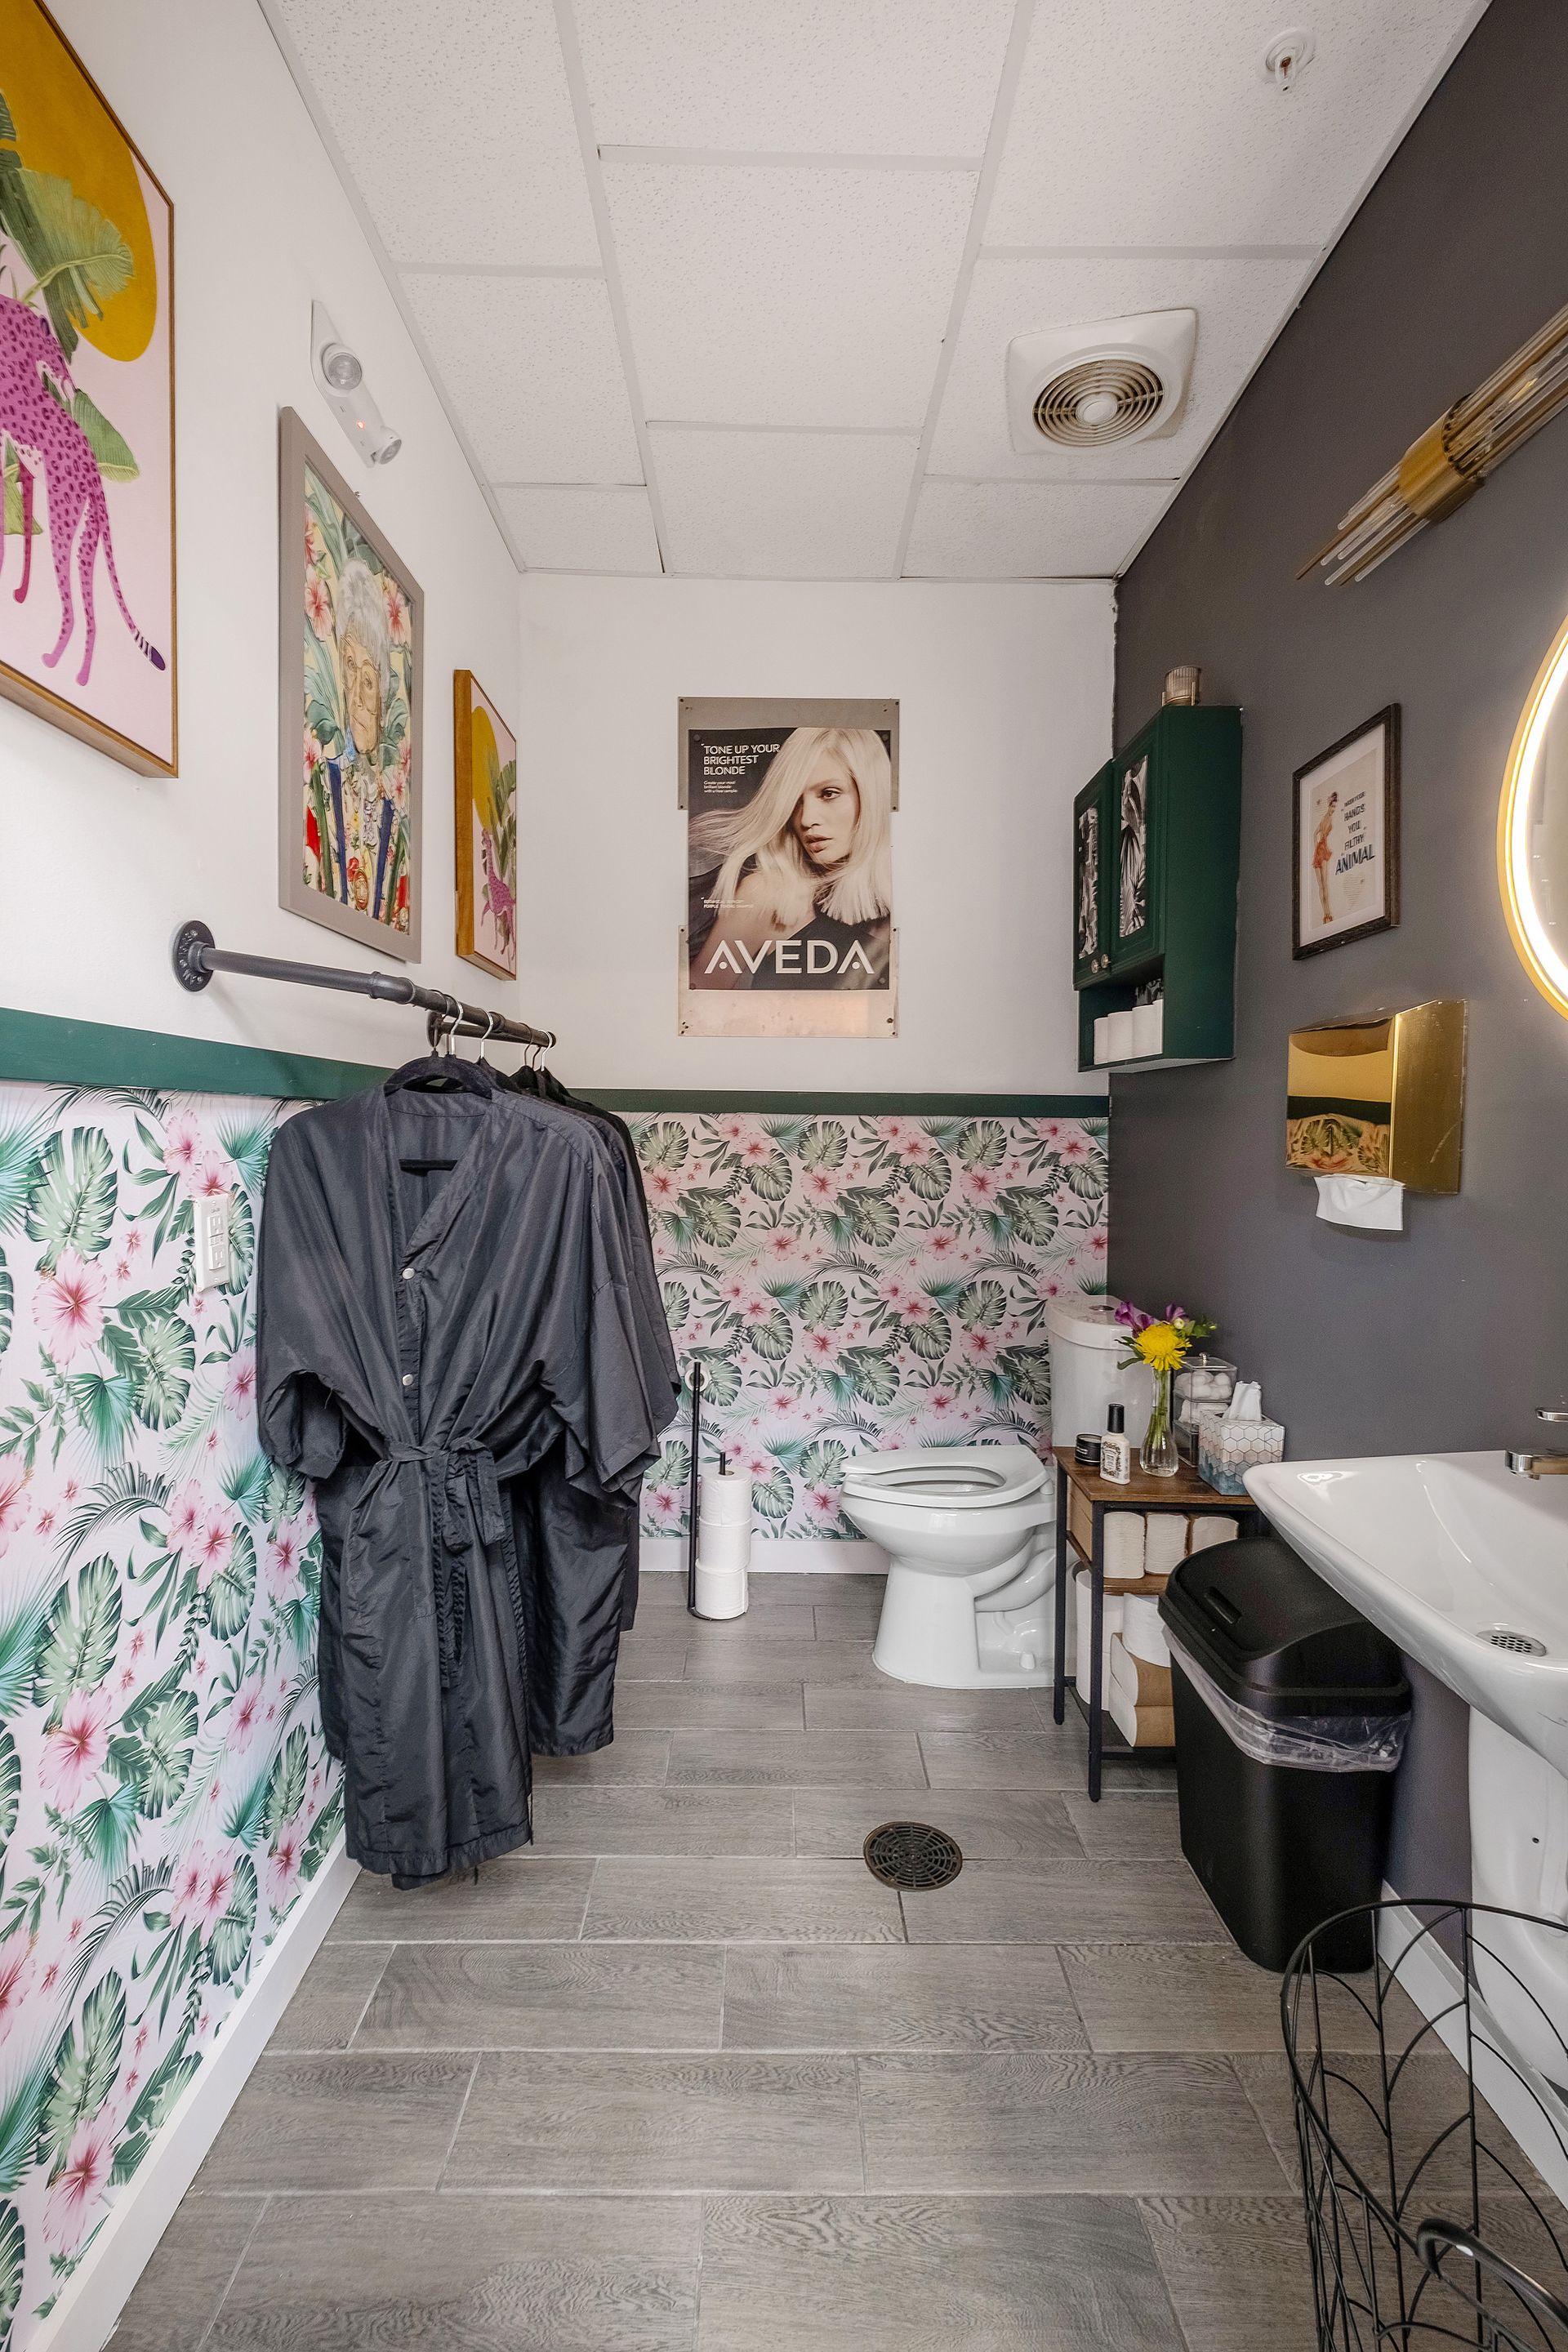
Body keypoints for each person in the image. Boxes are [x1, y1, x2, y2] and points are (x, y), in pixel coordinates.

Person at [688, 727, 892, 991]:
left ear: (871, 795)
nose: (806, 819)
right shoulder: (770, 896)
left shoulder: (907, 902)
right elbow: (696, 1010)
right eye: (794, 802)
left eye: (828, 794)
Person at [1312, 789, 1339, 926]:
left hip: (1318, 850)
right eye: (1333, 806)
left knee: (1322, 885)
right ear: (1329, 805)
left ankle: (1325, 914)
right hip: (1322, 850)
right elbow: (1319, 834)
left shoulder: (1324, 818)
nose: (1334, 809)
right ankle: (1327, 913)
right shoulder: (1328, 818)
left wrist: (1315, 845)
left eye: (1335, 807)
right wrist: (1320, 844)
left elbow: (1315, 834)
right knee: (1324, 884)